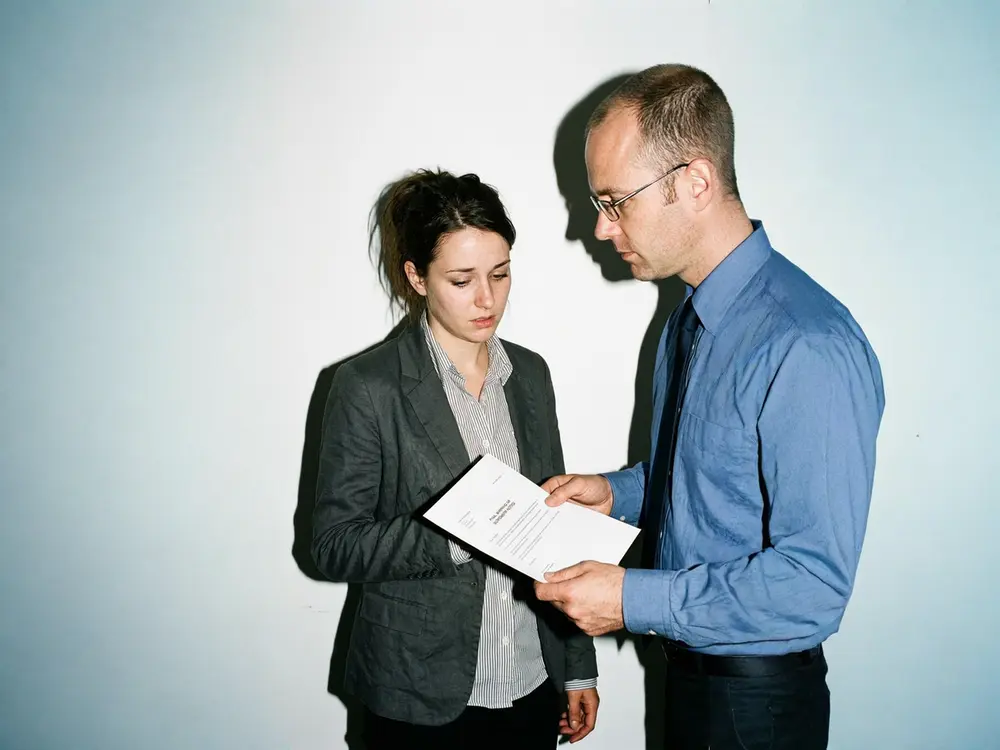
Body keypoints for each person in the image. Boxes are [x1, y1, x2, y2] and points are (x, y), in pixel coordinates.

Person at [534, 64, 885, 749]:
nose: (602, 229)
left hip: (756, 707)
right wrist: (616, 493)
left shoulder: (805, 343)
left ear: (694, 182)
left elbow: (813, 583)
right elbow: (714, 474)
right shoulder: (690, 319)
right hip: (687, 680)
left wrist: (631, 598)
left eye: (615, 201)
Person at [312, 168, 600, 748]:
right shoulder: (367, 386)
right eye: (462, 280)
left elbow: (558, 528)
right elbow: (332, 545)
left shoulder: (530, 375)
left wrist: (576, 664)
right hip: (417, 695)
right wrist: (452, 534)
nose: (487, 299)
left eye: (500, 273)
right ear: (416, 277)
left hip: (530, 682)